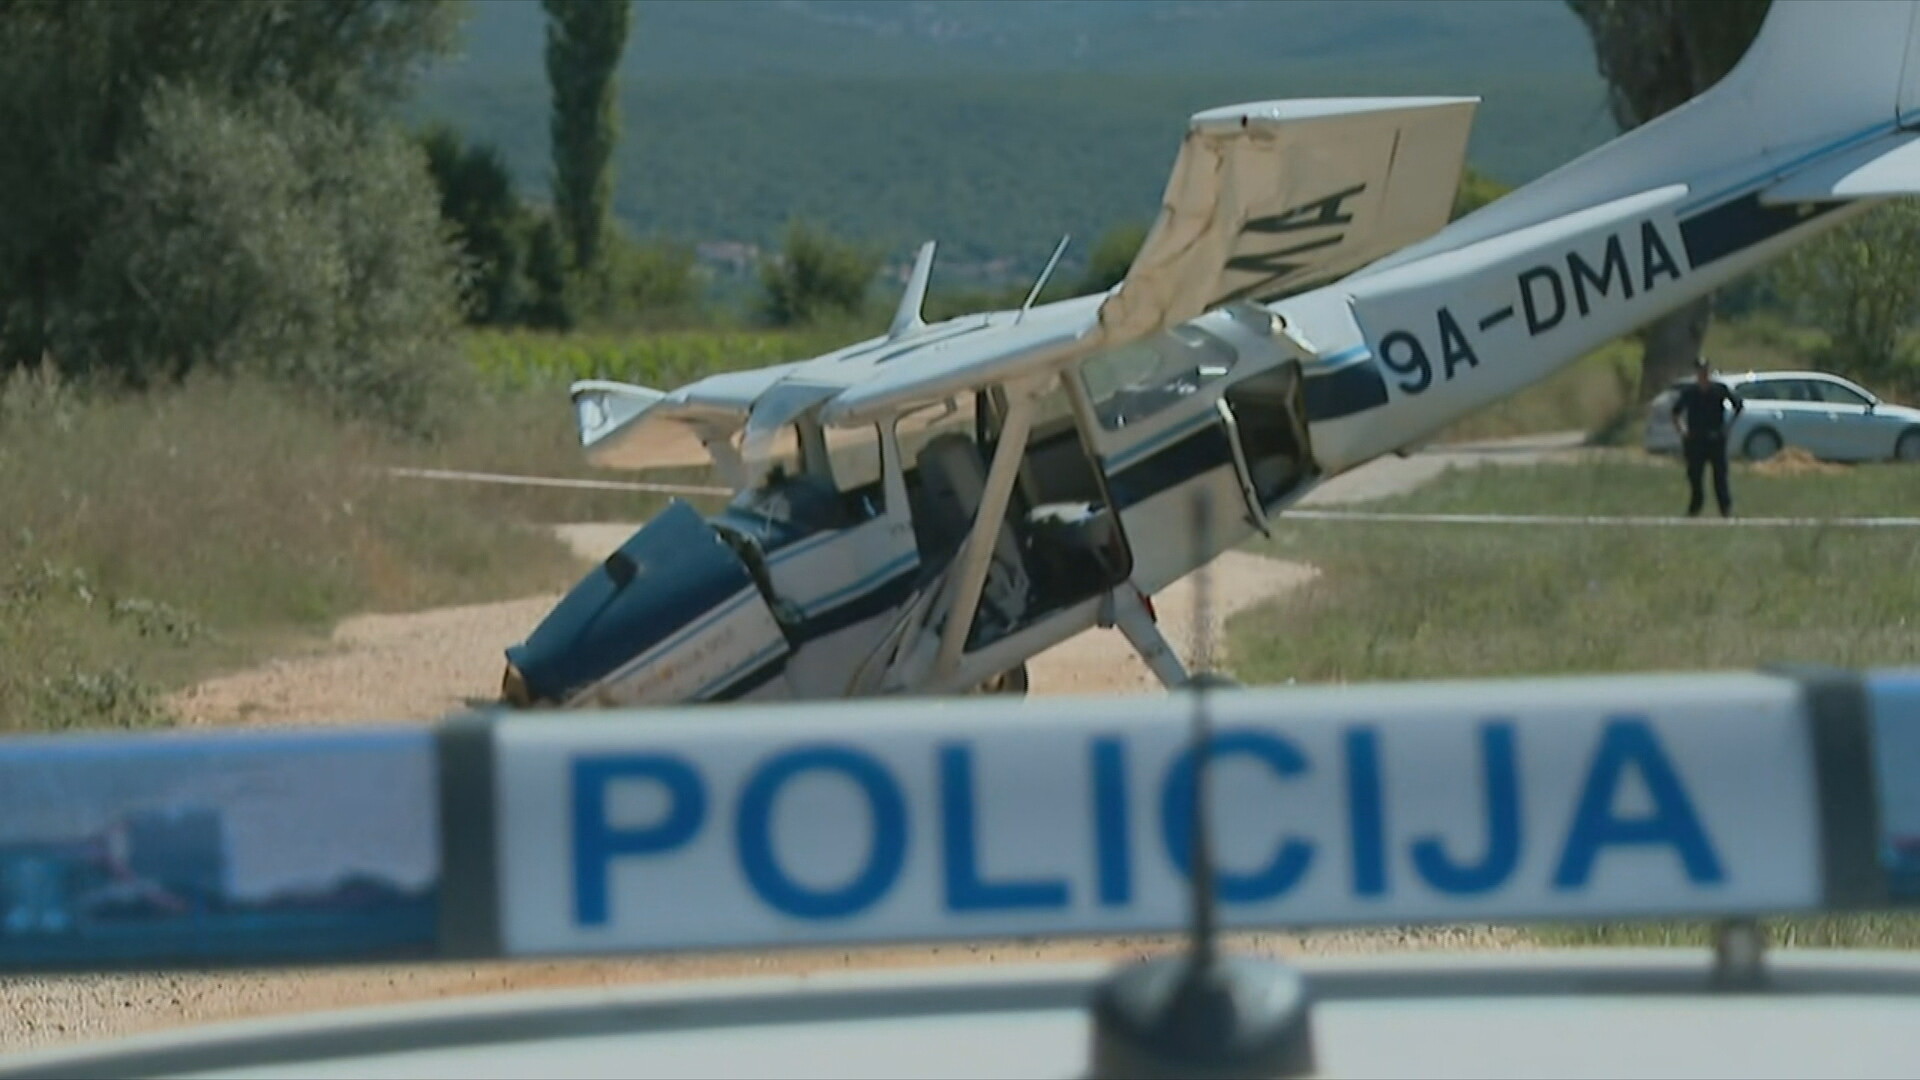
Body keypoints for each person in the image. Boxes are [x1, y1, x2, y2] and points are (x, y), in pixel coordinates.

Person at [1670, 358, 1745, 517]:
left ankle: (1725, 509)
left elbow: (1738, 405)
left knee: (1720, 477)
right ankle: (1695, 508)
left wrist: (1728, 427)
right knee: (1695, 476)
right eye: (1699, 371)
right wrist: (1682, 430)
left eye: (1705, 370)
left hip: (1715, 438)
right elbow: (1676, 412)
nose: (1702, 374)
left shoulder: (1719, 389)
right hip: (1695, 440)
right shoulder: (1689, 392)